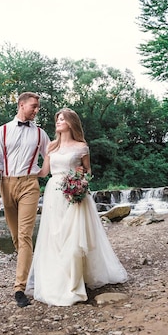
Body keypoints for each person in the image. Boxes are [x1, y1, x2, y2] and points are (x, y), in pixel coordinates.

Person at [25, 108, 128, 306]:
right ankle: (56, 276)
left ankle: (74, 280)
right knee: (54, 236)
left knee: (73, 238)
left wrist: (81, 178)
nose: (58, 122)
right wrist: (23, 169)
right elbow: (44, 171)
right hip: (54, 192)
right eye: (57, 119)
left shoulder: (82, 147)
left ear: (71, 123)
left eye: (62, 119)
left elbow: (88, 171)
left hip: (74, 194)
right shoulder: (51, 147)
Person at [0, 92, 50, 307]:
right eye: (33, 106)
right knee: (16, 238)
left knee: (25, 236)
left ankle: (19, 288)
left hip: (29, 185)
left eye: (37, 107)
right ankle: (31, 272)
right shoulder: (2, 131)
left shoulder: (41, 134)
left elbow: (51, 154)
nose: (36, 110)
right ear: (21, 105)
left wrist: (42, 172)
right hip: (6, 185)